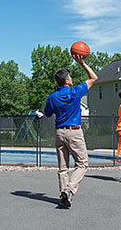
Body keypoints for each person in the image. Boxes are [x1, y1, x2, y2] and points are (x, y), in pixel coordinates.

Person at [42, 54, 97, 208]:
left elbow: (46, 115)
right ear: (67, 80)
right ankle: (70, 189)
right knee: (82, 164)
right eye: (70, 77)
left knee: (63, 167)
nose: (72, 79)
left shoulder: (52, 97)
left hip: (60, 132)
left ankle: (64, 196)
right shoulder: (75, 92)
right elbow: (94, 77)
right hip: (74, 132)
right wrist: (82, 63)